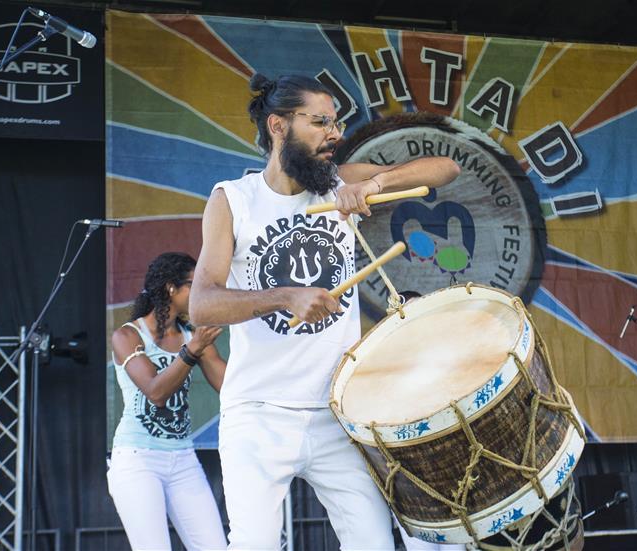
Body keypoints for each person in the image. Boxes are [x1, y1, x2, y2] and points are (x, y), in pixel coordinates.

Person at [189, 73, 460, 549]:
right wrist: (283, 296)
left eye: (334, 123)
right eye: (319, 122)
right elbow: (202, 303)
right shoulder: (233, 199)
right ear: (278, 126)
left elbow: (445, 169)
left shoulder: (338, 185)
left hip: (338, 409)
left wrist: (374, 182)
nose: (334, 134)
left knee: (373, 543)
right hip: (259, 412)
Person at [108, 252, 227, 551]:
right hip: (137, 459)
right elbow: (155, 392)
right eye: (193, 284)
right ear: (171, 289)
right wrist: (192, 350)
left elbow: (228, 386)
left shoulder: (189, 334)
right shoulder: (127, 335)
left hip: (183, 459)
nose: (199, 291)